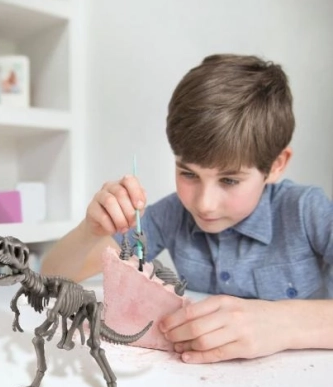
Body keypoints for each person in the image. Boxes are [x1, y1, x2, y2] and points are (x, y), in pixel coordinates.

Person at [42, 54, 333, 363]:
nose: (204, 204)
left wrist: (281, 323)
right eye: (189, 174)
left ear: (276, 165)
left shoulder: (306, 211)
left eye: (230, 180)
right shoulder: (172, 214)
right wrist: (89, 231)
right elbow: (51, 279)